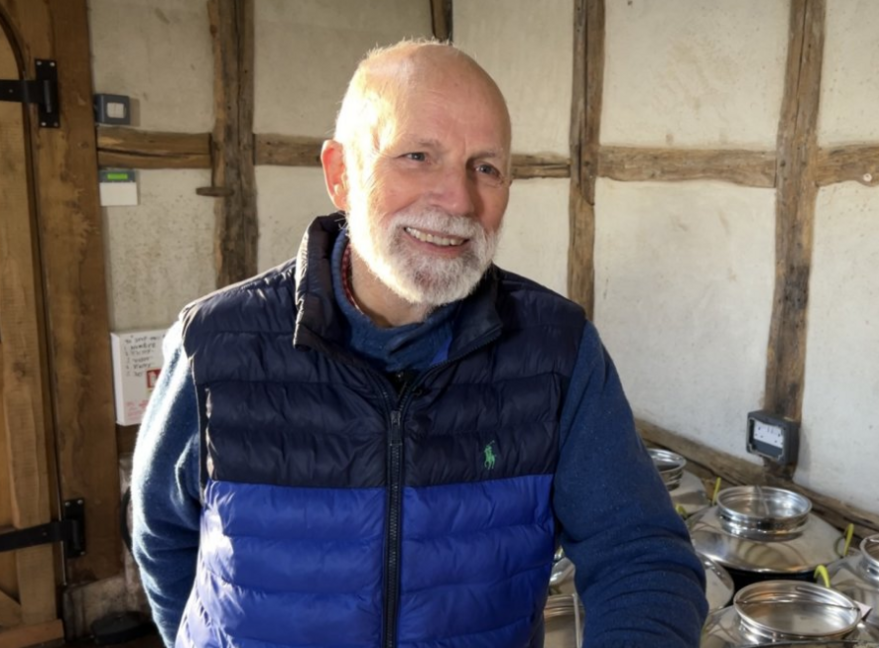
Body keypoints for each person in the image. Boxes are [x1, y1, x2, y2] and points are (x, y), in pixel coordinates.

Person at [131, 40, 707, 648]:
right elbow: (162, 538)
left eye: (485, 167)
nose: (458, 200)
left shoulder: (556, 351)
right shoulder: (216, 345)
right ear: (341, 175)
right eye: (417, 155)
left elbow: (640, 556)